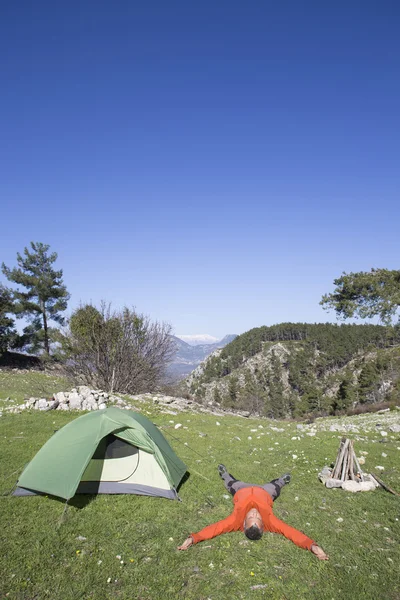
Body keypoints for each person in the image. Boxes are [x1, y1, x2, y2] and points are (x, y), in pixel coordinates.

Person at [178, 465, 329, 560]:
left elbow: (216, 529)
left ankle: (224, 473)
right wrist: (312, 546)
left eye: (251, 517)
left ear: (244, 523)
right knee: (275, 487)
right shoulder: (270, 521)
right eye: (257, 517)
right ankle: (283, 480)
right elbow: (291, 532)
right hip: (264, 492)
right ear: (263, 525)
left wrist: (193, 539)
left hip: (242, 489)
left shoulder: (235, 521)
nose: (255, 513)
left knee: (231, 484)